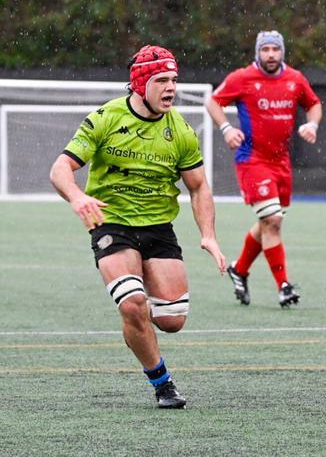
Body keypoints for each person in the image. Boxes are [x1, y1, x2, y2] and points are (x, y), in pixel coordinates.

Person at [49, 45, 226, 409]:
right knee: (133, 305)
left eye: (174, 80)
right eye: (162, 80)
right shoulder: (105, 118)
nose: (171, 88)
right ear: (140, 84)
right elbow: (60, 169)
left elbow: (198, 187)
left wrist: (208, 235)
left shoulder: (180, 130)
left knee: (172, 320)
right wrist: (77, 197)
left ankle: (137, 314)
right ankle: (163, 384)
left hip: (159, 228)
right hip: (111, 222)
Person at [205, 30, 322, 308]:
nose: (271, 54)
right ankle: (283, 286)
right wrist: (226, 128)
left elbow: (314, 103)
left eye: (275, 49)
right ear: (258, 52)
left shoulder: (295, 78)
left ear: (282, 52)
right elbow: (213, 102)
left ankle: (240, 269)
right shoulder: (242, 78)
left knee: (268, 221)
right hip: (252, 160)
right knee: (273, 221)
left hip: (281, 161)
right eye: (266, 49)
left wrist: (312, 124)